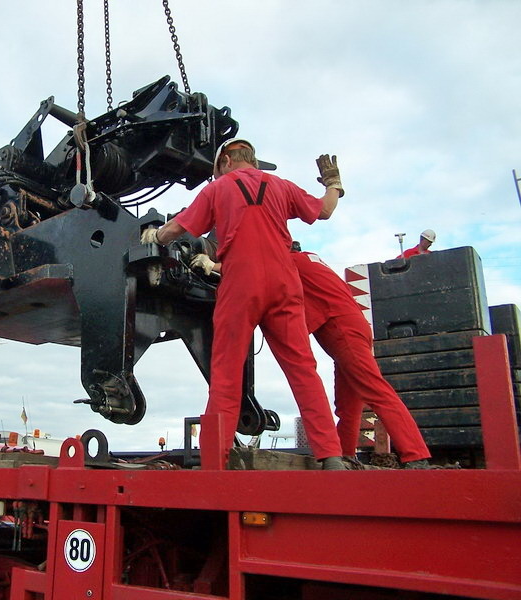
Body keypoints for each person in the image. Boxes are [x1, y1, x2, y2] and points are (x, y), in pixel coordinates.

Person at [141, 138, 347, 469]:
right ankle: (331, 455)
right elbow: (324, 210)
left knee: (225, 374)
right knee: (303, 370)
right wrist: (333, 185)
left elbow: (178, 227)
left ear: (225, 161)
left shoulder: (218, 188)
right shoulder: (280, 185)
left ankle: (215, 460)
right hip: (284, 283)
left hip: (240, 284)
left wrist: (154, 237)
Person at [289, 245, 433, 468]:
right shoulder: (310, 259)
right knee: (349, 404)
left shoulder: (292, 264)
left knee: (376, 390)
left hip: (341, 330)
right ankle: (346, 455)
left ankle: (416, 455)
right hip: (354, 326)